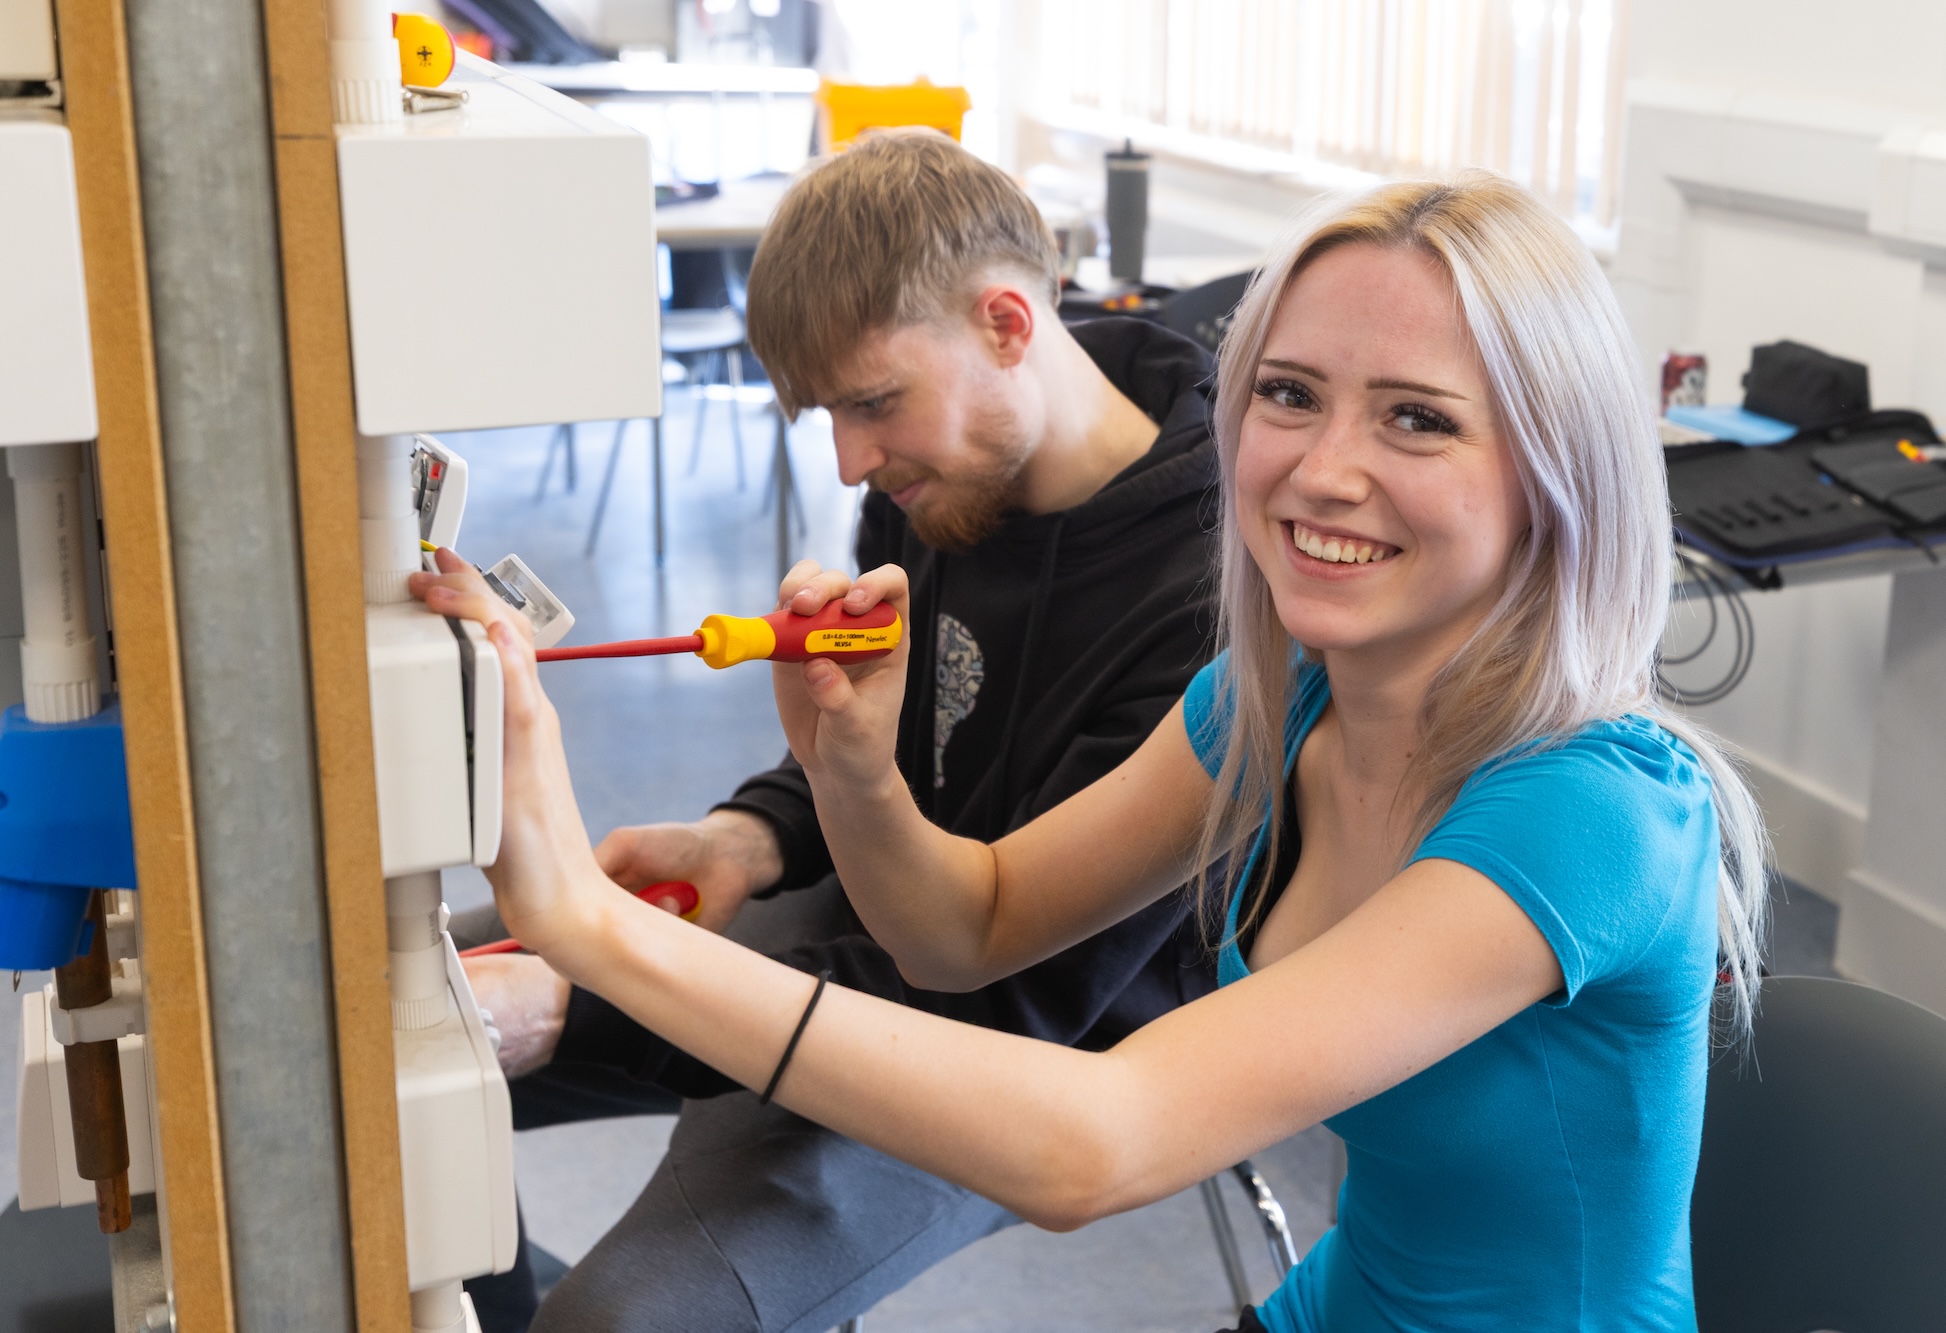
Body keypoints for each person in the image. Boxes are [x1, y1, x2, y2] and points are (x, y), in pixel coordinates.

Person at [425, 171, 1768, 1332]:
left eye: (1416, 418)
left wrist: (592, 939)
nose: (1319, 470)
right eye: (1290, 395)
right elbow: (971, 924)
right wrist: (854, 769)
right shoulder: (1279, 699)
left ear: (1554, 465)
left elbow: (1094, 1148)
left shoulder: (1591, 812)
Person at [460, 131, 1222, 1331]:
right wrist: (749, 837)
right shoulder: (942, 473)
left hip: (1020, 1046)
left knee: (626, 1321)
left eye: (872, 404)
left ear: (1007, 324)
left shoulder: (1209, 601)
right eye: (827, 414)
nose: (853, 459)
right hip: (885, 921)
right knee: (392, 1004)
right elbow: (888, 756)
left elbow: (997, 997)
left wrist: (591, 998)